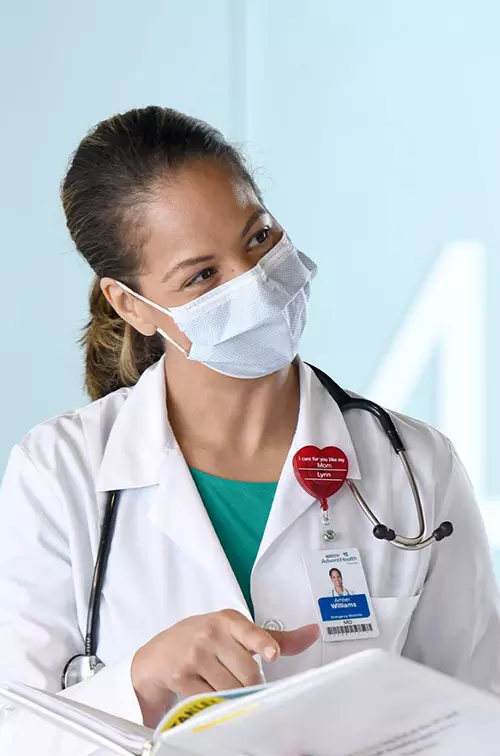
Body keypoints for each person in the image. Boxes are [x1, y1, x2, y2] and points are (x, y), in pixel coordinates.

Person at [0, 106, 499, 755]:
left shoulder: (415, 467)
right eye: (202, 275)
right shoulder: (59, 473)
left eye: (259, 237)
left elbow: (480, 714)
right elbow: (15, 732)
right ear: (131, 304)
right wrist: (139, 681)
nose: (256, 284)